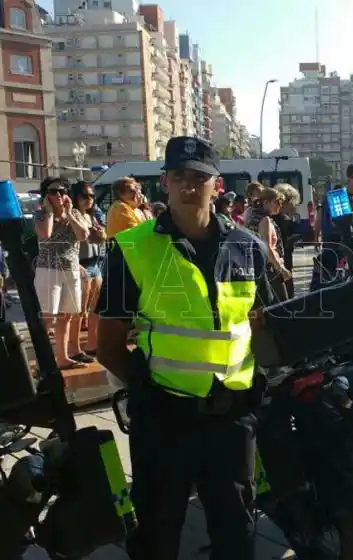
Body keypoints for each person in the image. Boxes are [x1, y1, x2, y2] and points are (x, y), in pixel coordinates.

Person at [96, 136, 276, 560]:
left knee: (236, 533)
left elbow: (263, 325)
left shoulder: (248, 246)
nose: (189, 185)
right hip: (164, 420)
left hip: (231, 419)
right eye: (179, 176)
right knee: (156, 536)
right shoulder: (131, 248)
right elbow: (107, 345)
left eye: (199, 177)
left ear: (217, 184)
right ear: (165, 183)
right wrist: (145, 388)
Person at [33, 177, 91, 369]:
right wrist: (50, 212)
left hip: (71, 269)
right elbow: (46, 234)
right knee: (48, 317)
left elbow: (83, 235)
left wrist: (69, 214)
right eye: (53, 191)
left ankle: (62, 357)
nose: (58, 195)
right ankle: (43, 362)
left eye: (62, 191)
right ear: (46, 196)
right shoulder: (40, 214)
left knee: (67, 315)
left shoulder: (74, 213)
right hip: (49, 270)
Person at [71, 180, 107, 356]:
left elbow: (99, 239)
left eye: (92, 196)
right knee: (80, 311)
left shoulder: (90, 215)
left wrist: (101, 234)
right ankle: (74, 348)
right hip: (81, 264)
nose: (89, 199)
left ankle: (92, 344)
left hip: (95, 263)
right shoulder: (74, 214)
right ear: (76, 197)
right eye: (84, 196)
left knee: (95, 309)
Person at [246, 187, 292, 301]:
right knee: (282, 304)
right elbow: (267, 247)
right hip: (270, 269)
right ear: (266, 202)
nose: (280, 205)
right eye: (277, 202)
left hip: (258, 267)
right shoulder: (264, 220)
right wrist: (280, 268)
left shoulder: (252, 215)